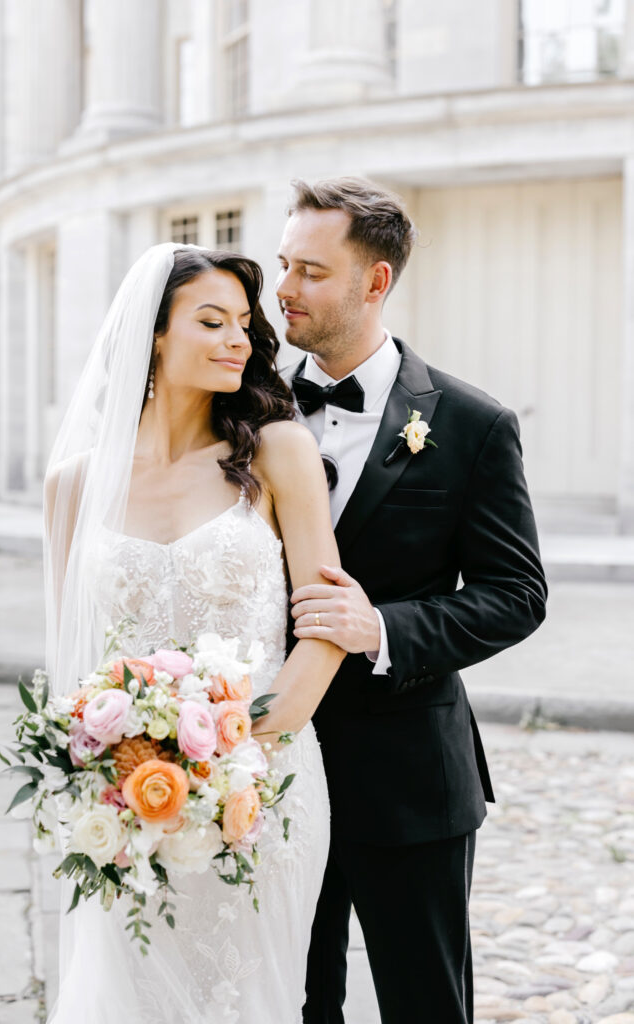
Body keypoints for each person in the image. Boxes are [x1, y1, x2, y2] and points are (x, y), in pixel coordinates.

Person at [43, 243, 346, 1023]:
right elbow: (75, 661)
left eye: (244, 323)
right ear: (152, 334)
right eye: (211, 322)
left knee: (249, 997)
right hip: (125, 800)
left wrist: (240, 754)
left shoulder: (279, 451)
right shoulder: (73, 485)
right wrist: (96, 781)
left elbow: (325, 622)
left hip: (261, 790)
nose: (239, 339)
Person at [275, 177, 548, 1024]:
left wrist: (380, 629)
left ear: (375, 282)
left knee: (426, 1004)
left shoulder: (470, 422)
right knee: (287, 1002)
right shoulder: (241, 407)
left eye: (310, 271)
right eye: (283, 265)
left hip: (409, 783)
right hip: (269, 776)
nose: (282, 289)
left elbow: (516, 594)